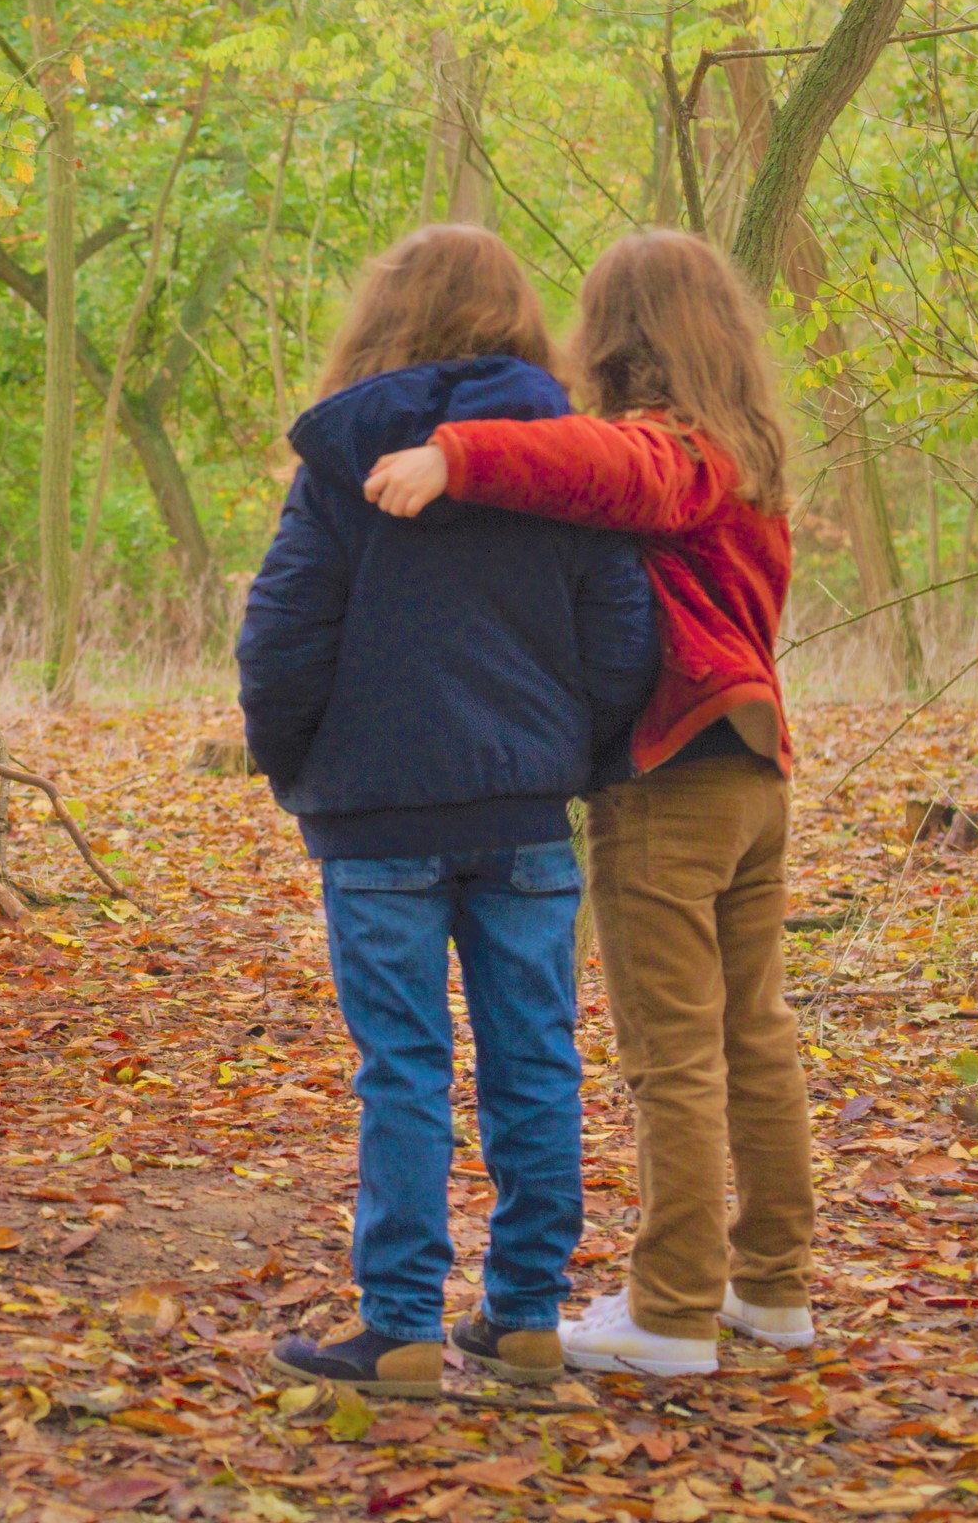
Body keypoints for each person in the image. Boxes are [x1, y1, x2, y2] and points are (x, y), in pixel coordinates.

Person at [362, 227, 811, 1378]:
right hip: (754, 775)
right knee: (751, 1040)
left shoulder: (674, 451)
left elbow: (610, 470)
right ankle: (771, 1290)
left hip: (676, 781)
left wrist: (457, 456)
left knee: (676, 1056)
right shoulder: (747, 451)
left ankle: (669, 1314)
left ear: (617, 335)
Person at [238, 225, 656, 1397]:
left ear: (383, 320)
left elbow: (281, 642)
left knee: (406, 1068)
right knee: (535, 1056)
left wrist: (303, 771)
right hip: (523, 810)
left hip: (378, 818)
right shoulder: (566, 468)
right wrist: (563, 757)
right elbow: (623, 639)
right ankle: (525, 1316)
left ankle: (404, 1326)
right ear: (520, 325)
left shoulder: (342, 470)